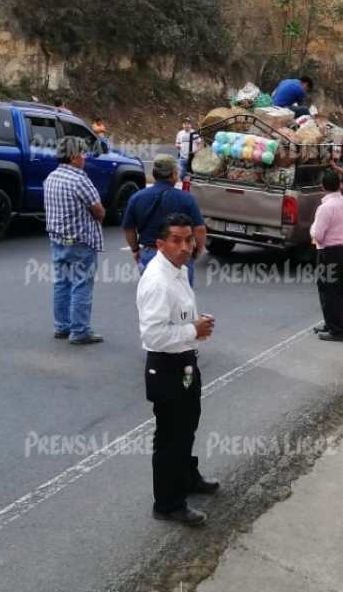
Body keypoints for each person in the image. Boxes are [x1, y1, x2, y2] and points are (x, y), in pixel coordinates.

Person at [138, 214, 220, 527]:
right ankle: (168, 503)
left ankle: (187, 477)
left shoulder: (178, 269)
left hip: (185, 362)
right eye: (177, 240)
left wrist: (195, 325)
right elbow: (153, 336)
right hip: (167, 366)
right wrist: (192, 330)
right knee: (170, 437)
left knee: (188, 425)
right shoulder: (158, 281)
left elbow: (180, 315)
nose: (186, 247)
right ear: (160, 244)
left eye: (189, 239)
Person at [44, 136, 106, 345]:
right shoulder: (80, 179)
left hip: (58, 239)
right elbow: (98, 210)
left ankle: (62, 326)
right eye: (83, 154)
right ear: (73, 157)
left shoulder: (51, 177)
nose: (85, 158)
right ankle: (80, 331)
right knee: (81, 285)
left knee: (62, 283)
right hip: (80, 241)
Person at [123, 154, 207, 286]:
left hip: (149, 254)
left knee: (153, 298)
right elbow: (200, 229)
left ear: (154, 173)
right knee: (181, 300)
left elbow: (128, 228)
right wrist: (196, 251)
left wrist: (135, 250)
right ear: (174, 174)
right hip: (179, 254)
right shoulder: (186, 198)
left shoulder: (137, 198)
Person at [310, 169, 343, 341]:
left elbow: (318, 235)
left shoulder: (325, 208)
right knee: (338, 291)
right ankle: (332, 323)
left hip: (329, 252)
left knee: (328, 291)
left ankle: (337, 330)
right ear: (338, 184)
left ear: (322, 186)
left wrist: (312, 229)